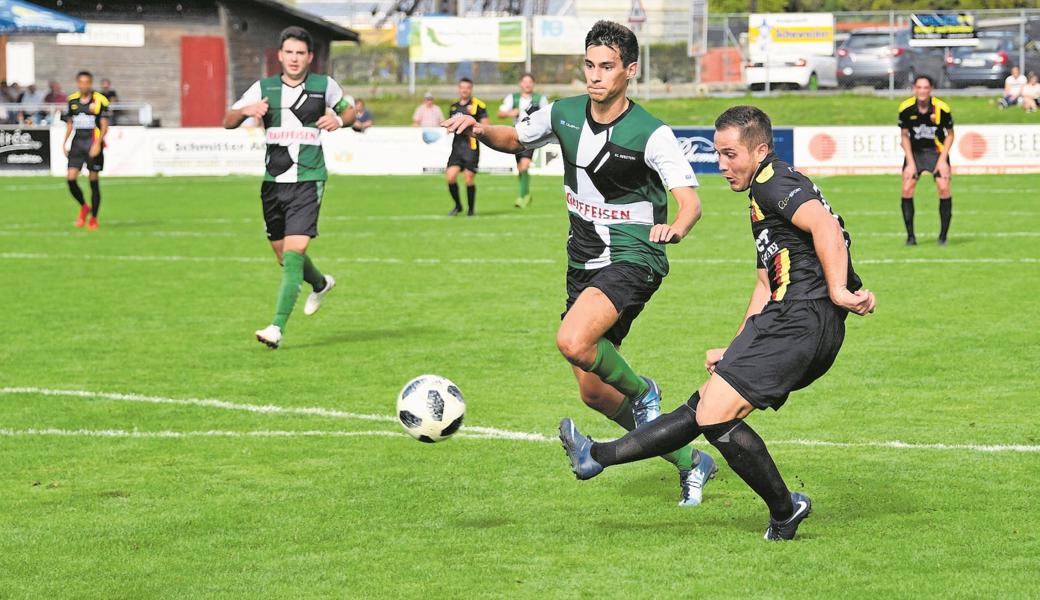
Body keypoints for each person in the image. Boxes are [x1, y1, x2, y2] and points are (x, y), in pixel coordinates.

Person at [558, 105, 877, 540]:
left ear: (760, 150)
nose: (722, 166)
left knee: (714, 414)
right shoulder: (763, 194)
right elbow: (765, 281)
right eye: (718, 155)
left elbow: (826, 227)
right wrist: (737, 345)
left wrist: (838, 290)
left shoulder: (772, 182)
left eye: (731, 155)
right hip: (787, 316)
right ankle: (596, 455)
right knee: (702, 408)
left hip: (802, 318)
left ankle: (785, 509)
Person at [444, 20, 716, 507]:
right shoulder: (563, 114)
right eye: (589, 65)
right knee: (593, 394)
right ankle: (691, 463)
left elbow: (690, 202)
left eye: (607, 67)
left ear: (630, 71)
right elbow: (515, 140)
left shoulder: (652, 134)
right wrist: (479, 129)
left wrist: (677, 226)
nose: (595, 76)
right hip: (583, 262)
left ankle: (645, 389)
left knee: (572, 339)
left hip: (635, 256)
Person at [223, 26, 356, 349]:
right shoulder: (264, 87)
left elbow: (350, 112)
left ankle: (276, 328)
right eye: (289, 53)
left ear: (309, 57)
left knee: (295, 252)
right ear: (280, 56)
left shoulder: (324, 86)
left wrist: (339, 121)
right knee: (285, 258)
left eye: (301, 53)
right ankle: (321, 284)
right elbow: (227, 120)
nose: (295, 59)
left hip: (309, 180)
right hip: (273, 183)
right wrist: (245, 112)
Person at [898, 75, 955, 246]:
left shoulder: (941, 108)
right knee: (907, 188)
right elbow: (904, 136)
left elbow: (950, 135)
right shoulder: (906, 108)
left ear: (930, 89)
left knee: (944, 188)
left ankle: (943, 237)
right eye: (919, 87)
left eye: (925, 88)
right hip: (914, 152)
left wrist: (943, 160)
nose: (922, 91)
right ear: (914, 89)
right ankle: (910, 237)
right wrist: (910, 162)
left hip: (937, 151)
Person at [62, 71, 109, 230]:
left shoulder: (99, 100)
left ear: (90, 83)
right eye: (81, 82)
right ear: (78, 83)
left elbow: (104, 125)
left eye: (87, 82)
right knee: (70, 179)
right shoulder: (72, 100)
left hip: (92, 143)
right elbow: (70, 123)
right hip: (77, 144)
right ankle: (84, 206)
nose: (84, 85)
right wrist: (65, 142)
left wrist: (98, 144)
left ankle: (94, 218)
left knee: (93, 182)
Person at [497, 73, 548, 209]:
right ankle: (525, 194)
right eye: (525, 82)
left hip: (532, 136)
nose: (527, 85)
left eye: (530, 82)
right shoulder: (512, 98)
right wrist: (509, 113)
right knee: (520, 167)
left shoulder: (540, 99)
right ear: (520, 83)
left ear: (533, 84)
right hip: (516, 135)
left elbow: (547, 115)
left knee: (524, 165)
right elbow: (499, 114)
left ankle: (523, 196)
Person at [444, 78, 488, 217]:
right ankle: (458, 206)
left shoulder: (478, 105)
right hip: (457, 148)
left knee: (468, 179)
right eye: (462, 87)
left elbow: (486, 125)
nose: (464, 90)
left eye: (467, 87)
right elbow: (449, 126)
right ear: (459, 89)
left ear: (471, 89)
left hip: (471, 147)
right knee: (450, 177)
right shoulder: (453, 107)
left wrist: (474, 129)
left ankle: (471, 209)